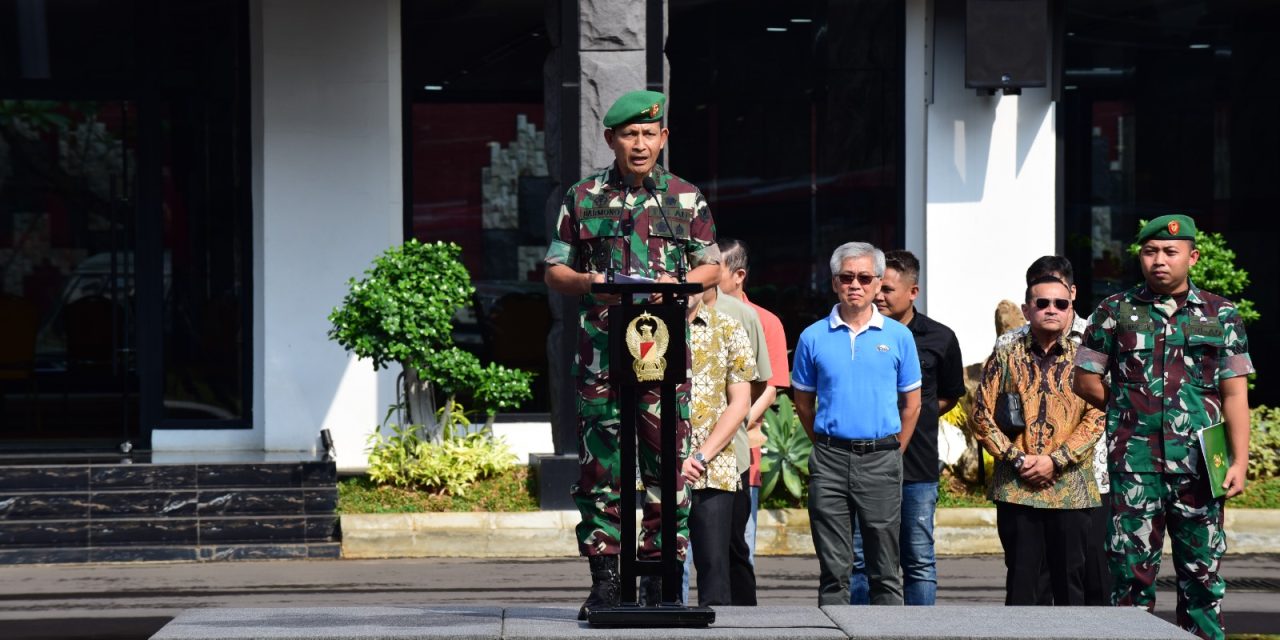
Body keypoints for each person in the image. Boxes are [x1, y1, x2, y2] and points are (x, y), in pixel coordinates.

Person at [542, 90, 722, 620]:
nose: (640, 144)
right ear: (611, 140)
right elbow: (555, 269)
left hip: (662, 361)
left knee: (669, 469)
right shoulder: (584, 195)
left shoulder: (686, 197)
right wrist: (589, 279)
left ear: (663, 138)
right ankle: (605, 579)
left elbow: (712, 265)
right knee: (602, 470)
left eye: (649, 134)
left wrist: (681, 281)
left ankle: (661, 578)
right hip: (602, 360)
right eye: (629, 135)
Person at [1073, 214, 1253, 639]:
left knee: (1203, 578)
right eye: (1150, 251)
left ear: (1192, 256)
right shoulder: (1114, 311)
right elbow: (1085, 379)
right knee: (1130, 577)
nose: (1159, 260)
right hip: (1135, 466)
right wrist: (1126, 410)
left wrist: (1240, 461)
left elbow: (1235, 394)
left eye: (1170, 252)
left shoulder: (1220, 314)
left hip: (1200, 467)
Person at [792, 241, 922, 606]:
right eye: (846, 277)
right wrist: (822, 443)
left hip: (881, 457)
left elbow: (912, 405)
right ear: (834, 282)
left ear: (878, 283)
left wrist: (896, 450)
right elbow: (803, 403)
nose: (855, 285)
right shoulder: (812, 336)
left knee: (885, 570)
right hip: (830, 459)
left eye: (865, 278)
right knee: (834, 572)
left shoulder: (899, 337)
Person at [973, 274, 1106, 606]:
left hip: (1071, 488)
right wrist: (1018, 459)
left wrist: (1056, 460)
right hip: (1017, 487)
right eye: (1042, 303)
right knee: (1022, 585)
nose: (1051, 310)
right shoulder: (1006, 354)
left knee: (1071, 586)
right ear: (1026, 309)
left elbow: (1098, 415)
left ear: (1071, 309)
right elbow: (981, 415)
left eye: (1060, 304)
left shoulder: (1087, 356)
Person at [849, 250, 964, 606]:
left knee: (918, 558)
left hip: (916, 465)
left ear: (913, 292)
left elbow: (949, 395)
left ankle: (920, 631)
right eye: (877, 286)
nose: (879, 295)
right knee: (861, 559)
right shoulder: (857, 334)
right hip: (863, 463)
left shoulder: (940, 338)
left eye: (888, 290)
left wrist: (917, 415)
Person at [678, 262, 769, 606]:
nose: (686, 284)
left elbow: (741, 401)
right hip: (660, 466)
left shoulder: (729, 328)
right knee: (659, 571)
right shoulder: (646, 329)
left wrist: (700, 456)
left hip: (713, 467)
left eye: (695, 277)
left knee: (716, 569)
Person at [716, 237, 790, 565]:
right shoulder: (691, 316)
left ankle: (740, 618)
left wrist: (734, 425)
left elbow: (771, 387)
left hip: (742, 454)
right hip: (695, 456)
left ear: (738, 275)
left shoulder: (764, 321)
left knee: (738, 551)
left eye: (712, 269)